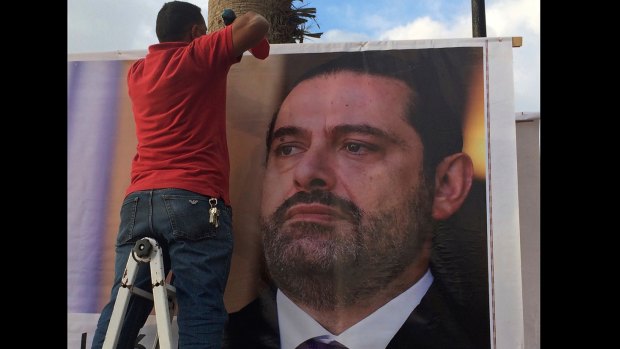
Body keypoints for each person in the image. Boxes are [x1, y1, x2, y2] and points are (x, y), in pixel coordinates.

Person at [223, 50, 490, 349]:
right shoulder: (200, 340)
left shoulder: (496, 338)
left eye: (356, 147)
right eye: (288, 149)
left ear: (445, 185)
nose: (308, 171)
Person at [91, 2, 270, 348]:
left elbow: (246, 46)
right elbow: (258, 23)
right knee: (199, 307)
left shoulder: (138, 73)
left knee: (124, 308)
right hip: (194, 199)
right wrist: (225, 35)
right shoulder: (199, 56)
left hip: (139, 204)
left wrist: (224, 47)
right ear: (194, 33)